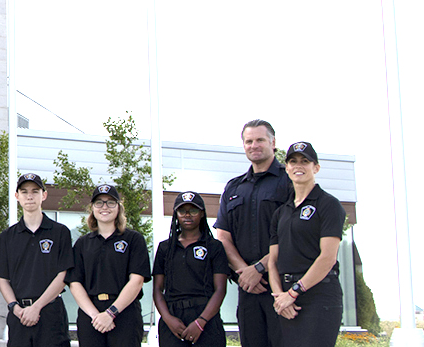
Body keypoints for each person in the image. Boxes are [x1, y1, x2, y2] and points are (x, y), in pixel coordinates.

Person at [213, 119, 292, 347]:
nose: (254, 145)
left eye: (260, 140)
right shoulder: (234, 187)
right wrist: (244, 272)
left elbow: (292, 236)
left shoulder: (289, 182)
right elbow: (224, 237)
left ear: (273, 142)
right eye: (249, 141)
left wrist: (259, 268)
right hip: (248, 288)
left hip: (282, 286)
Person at [268, 142, 346, 346]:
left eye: (305, 161)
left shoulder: (328, 204)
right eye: (293, 162)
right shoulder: (280, 212)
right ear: (287, 168)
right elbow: (272, 261)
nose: (298, 166)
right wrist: (279, 297)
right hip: (286, 298)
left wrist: (294, 292)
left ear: (316, 168)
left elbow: (327, 258)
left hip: (319, 296)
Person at [0, 173, 73, 347]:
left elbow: (63, 274)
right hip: (19, 314)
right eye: (24, 191)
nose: (29, 196)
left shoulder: (59, 232)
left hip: (51, 313)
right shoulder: (7, 237)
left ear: (44, 195)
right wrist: (15, 307)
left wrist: (37, 307)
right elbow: (3, 279)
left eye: (35, 191)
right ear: (17, 196)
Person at [67, 184, 150, 346]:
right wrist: (96, 316)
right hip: (91, 316)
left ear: (119, 208)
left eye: (110, 202)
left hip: (125, 314)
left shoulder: (134, 240)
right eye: (99, 202)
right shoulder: (82, 243)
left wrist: (110, 313)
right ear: (92, 208)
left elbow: (136, 281)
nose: (104, 207)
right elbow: (74, 283)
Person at [153, 191, 231, 347]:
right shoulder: (165, 248)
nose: (187, 215)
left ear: (202, 214)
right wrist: (168, 319)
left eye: (193, 211)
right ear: (176, 214)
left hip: (206, 318)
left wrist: (201, 322)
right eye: (182, 211)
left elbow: (220, 289)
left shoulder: (214, 247)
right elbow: (157, 289)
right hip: (173, 319)